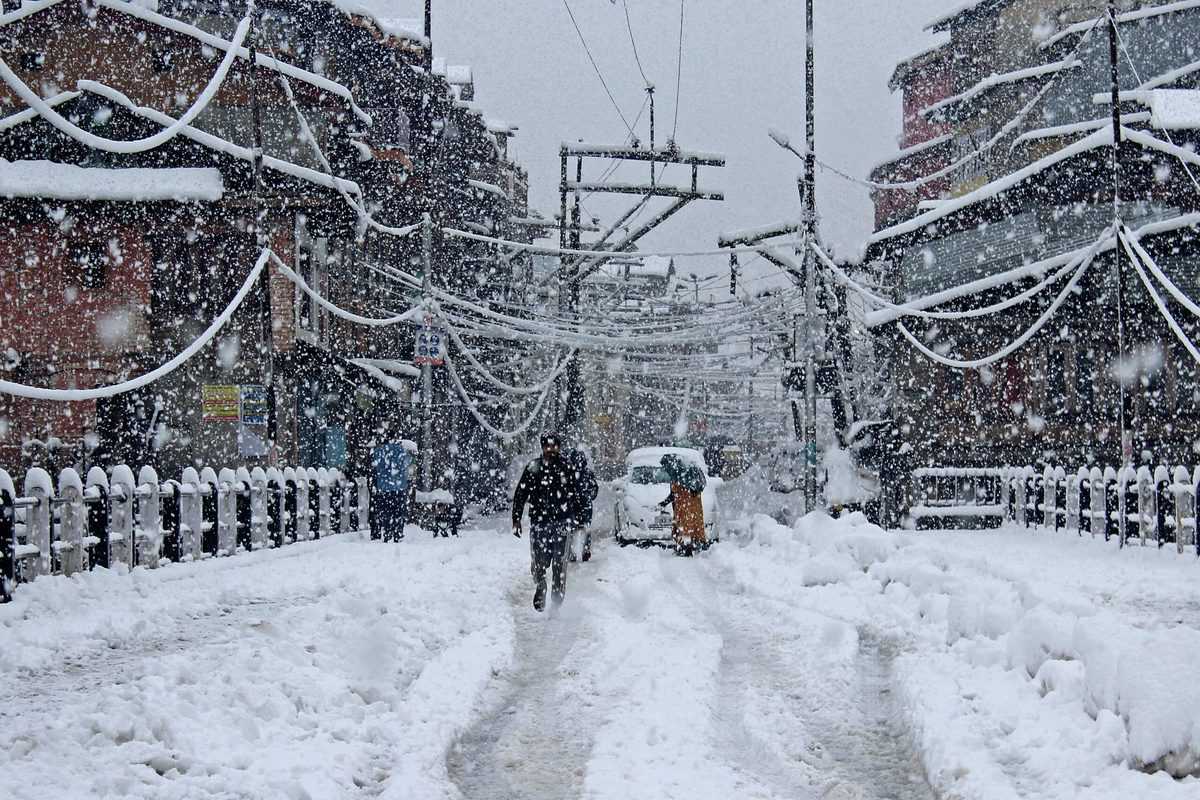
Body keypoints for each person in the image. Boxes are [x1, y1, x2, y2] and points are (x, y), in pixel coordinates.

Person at [512, 434, 575, 611]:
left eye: (554, 446)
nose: (551, 449)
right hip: (539, 523)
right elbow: (520, 494)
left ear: (559, 447)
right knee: (538, 562)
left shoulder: (567, 467)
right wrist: (516, 519)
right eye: (547, 446)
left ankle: (557, 597)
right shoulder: (533, 468)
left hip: (562, 523)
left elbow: (577, 494)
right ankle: (541, 585)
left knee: (559, 562)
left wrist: (579, 520)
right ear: (542, 448)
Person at [657, 453, 707, 556]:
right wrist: (664, 503)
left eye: (665, 466)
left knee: (685, 527)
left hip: (685, 507)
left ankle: (686, 548)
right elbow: (673, 494)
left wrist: (668, 501)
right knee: (690, 526)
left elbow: (675, 493)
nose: (666, 470)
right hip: (688, 507)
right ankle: (689, 546)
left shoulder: (680, 478)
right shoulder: (681, 477)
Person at [371, 438, 415, 542]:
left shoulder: (379, 451)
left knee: (386, 512)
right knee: (398, 512)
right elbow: (407, 463)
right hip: (399, 486)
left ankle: (387, 532)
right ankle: (398, 533)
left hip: (384, 487)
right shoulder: (401, 451)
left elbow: (375, 465)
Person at [565, 449, 599, 562]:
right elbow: (594, 488)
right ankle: (585, 550)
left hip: (573, 506)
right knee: (586, 529)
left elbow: (565, 489)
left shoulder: (569, 473)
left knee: (572, 530)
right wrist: (589, 496)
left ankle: (572, 552)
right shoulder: (588, 473)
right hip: (585, 506)